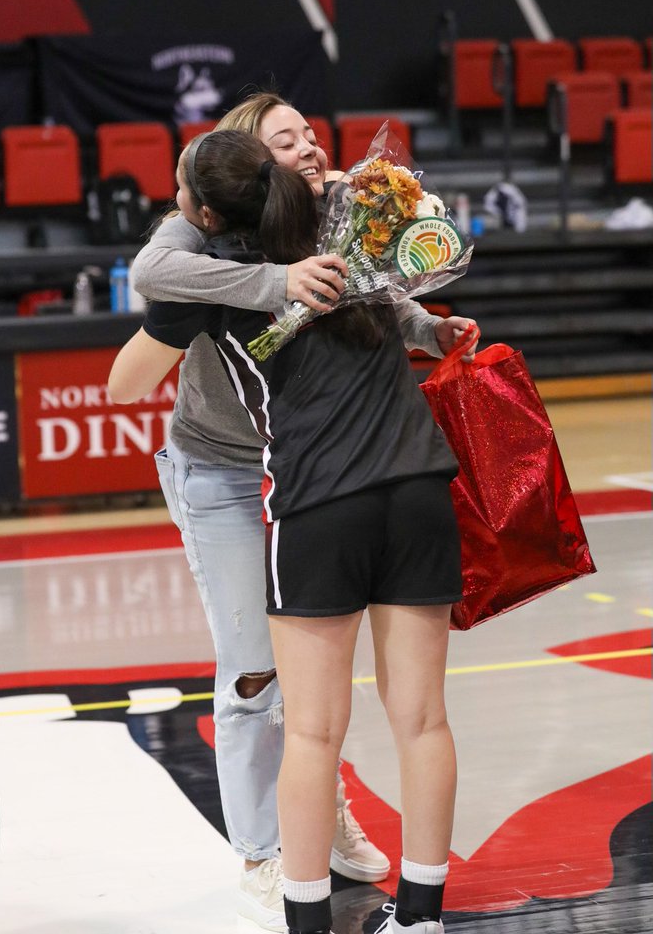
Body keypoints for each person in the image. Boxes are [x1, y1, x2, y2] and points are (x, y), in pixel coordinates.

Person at [112, 125, 473, 934]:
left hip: (318, 503)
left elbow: (140, 317)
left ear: (204, 210)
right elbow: (424, 228)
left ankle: (305, 920)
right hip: (418, 488)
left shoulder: (209, 279)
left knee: (310, 731)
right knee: (423, 720)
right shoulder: (351, 232)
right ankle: (420, 919)